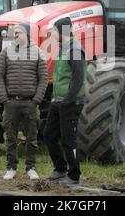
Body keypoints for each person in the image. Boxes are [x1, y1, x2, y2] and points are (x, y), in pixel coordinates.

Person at [0, 23, 48, 180]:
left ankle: (31, 167)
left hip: (30, 102)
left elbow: (43, 77)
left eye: (18, 32)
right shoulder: (6, 52)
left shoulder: (37, 52)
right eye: (14, 33)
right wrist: (4, 99)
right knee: (10, 137)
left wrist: (37, 100)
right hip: (11, 102)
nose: (16, 35)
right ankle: (11, 167)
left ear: (27, 34)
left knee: (32, 137)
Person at [44, 17, 86, 187]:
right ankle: (60, 169)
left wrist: (68, 100)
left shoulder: (75, 50)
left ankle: (74, 175)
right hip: (58, 101)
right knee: (49, 135)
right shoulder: (63, 49)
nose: (52, 34)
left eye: (54, 31)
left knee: (69, 140)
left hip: (70, 102)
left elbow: (78, 79)